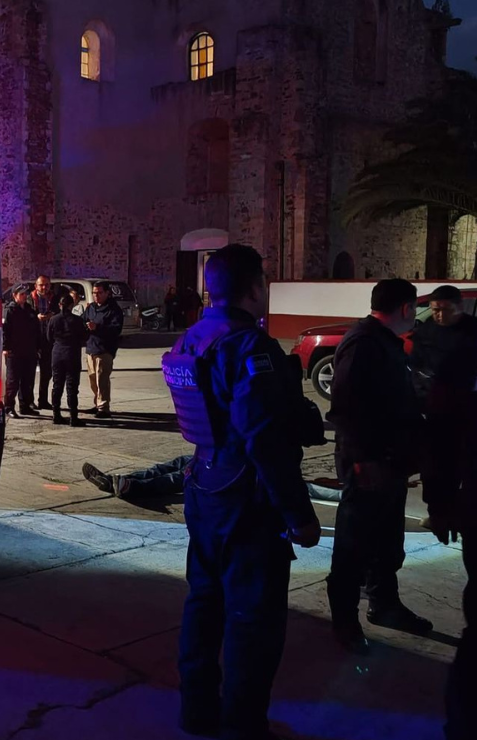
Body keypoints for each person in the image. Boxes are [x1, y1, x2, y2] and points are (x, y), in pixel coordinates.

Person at [162, 244, 321, 740]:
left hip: (204, 484)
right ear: (255, 286)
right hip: (245, 498)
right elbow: (264, 439)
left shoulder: (194, 336)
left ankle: (198, 714)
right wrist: (298, 513)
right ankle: (244, 726)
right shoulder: (248, 345)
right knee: (254, 622)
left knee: (203, 607)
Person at [325, 278, 431, 654]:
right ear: (405, 308)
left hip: (390, 463)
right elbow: (347, 408)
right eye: (415, 309)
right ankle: (344, 620)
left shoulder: (383, 342)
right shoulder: (364, 342)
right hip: (368, 465)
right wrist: (362, 461)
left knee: (387, 543)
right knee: (353, 546)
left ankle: (385, 605)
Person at [423, 320, 477, 740]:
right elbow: (439, 433)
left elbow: (438, 433)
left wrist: (440, 502)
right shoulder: (469, 352)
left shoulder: (469, 353)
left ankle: (465, 725)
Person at [82, 456, 343, 502]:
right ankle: (122, 480)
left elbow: (310, 490)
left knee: (184, 475)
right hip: (243, 460)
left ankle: (132, 486)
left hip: (250, 474)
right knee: (180, 462)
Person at [410, 285, 477, 402]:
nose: (441, 315)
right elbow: (416, 365)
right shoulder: (425, 330)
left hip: (469, 397)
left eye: (447, 310)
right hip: (434, 397)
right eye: (436, 310)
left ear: (460, 307)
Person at [83, 282, 124, 418]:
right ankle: (97, 403)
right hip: (91, 348)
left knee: (102, 379)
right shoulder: (91, 308)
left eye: (100, 293)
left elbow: (116, 329)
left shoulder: (114, 310)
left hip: (104, 349)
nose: (96, 296)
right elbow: (83, 321)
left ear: (107, 293)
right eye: (94, 293)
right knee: (92, 379)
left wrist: (97, 327)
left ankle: (104, 407)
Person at [46, 294, 87, 427]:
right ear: (71, 305)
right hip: (72, 354)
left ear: (60, 305)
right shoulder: (77, 320)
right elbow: (84, 337)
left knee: (57, 385)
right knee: (72, 386)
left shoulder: (53, 319)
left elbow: (49, 337)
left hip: (57, 353)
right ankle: (73, 417)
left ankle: (56, 414)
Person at [3, 284, 41, 419]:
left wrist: (37, 347)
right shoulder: (10, 310)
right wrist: (5, 348)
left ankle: (25, 406)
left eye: (25, 294)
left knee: (27, 380)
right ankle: (8, 407)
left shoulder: (29, 310)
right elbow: (6, 330)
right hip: (14, 351)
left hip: (29, 350)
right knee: (13, 381)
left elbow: (36, 330)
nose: (24, 297)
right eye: (21, 294)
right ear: (15, 295)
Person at [31, 275, 56, 409]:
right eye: (41, 285)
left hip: (48, 340)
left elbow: (59, 312)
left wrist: (52, 315)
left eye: (46, 284)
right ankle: (29, 401)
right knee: (29, 373)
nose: (44, 287)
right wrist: (36, 317)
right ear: (36, 286)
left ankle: (43, 400)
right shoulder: (30, 299)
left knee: (47, 372)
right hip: (33, 341)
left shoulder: (54, 298)